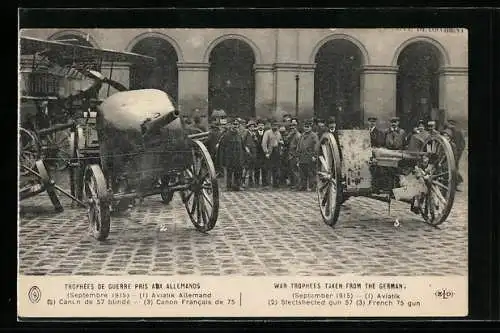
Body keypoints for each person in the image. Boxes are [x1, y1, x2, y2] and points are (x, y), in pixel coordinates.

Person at [219, 118, 245, 191]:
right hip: (229, 158)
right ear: (230, 125)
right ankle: (229, 186)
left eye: (237, 125)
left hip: (238, 157)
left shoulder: (239, 135)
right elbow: (222, 148)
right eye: (234, 124)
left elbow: (242, 146)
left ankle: (237, 186)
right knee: (229, 172)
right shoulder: (226, 136)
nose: (235, 126)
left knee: (238, 172)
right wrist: (223, 159)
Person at [296, 120, 319, 191]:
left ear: (311, 127)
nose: (306, 128)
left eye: (308, 127)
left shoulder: (314, 135)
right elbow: (299, 145)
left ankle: (313, 187)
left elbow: (316, 146)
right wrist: (298, 155)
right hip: (302, 157)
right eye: (305, 127)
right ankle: (303, 186)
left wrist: (314, 156)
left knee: (311, 172)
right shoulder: (302, 135)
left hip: (310, 156)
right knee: (302, 172)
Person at [443, 119, 465, 190]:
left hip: (455, 151)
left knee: (453, 168)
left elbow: (462, 144)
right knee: (453, 167)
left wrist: (458, 152)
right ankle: (452, 184)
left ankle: (455, 184)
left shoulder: (457, 132)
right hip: (451, 150)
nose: (450, 126)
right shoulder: (449, 131)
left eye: (451, 125)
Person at [262, 120, 283, 188]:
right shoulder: (267, 133)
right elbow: (264, 143)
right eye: (273, 125)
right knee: (268, 168)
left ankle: (275, 183)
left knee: (276, 168)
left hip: (276, 151)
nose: (275, 127)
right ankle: (267, 183)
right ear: (271, 126)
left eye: (276, 125)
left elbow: (280, 140)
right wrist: (266, 152)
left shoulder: (278, 133)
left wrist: (281, 143)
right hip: (270, 151)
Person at [286, 118, 301, 188]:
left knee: (295, 170)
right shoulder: (291, 135)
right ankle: (294, 183)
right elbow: (287, 140)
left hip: (294, 155)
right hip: (291, 154)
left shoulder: (298, 135)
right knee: (292, 170)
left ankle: (297, 184)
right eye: (291, 128)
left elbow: (299, 146)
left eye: (294, 127)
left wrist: (297, 155)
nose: (292, 129)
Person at [254, 120, 268, 187]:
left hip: (264, 154)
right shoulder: (254, 133)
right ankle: (256, 182)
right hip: (257, 153)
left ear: (264, 126)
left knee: (264, 168)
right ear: (257, 126)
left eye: (262, 125)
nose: (261, 126)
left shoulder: (266, 133)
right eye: (259, 125)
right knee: (256, 168)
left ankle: (264, 183)